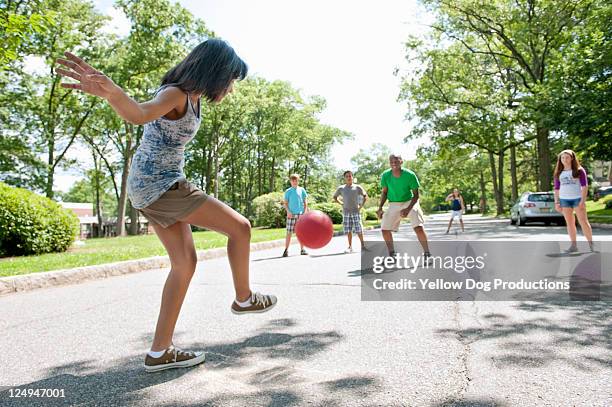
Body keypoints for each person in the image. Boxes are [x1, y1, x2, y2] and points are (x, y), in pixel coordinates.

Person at [56, 39, 277, 373]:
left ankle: (160, 351)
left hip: (152, 186)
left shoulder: (194, 99)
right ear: (215, 72)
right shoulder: (175, 93)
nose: (231, 89)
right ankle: (244, 298)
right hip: (159, 184)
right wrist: (113, 93)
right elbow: (141, 114)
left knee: (185, 263)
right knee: (241, 227)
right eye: (230, 80)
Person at [377, 154, 431, 259]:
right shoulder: (385, 175)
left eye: (396, 161)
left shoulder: (410, 175)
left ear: (401, 161)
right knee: (384, 229)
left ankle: (427, 252)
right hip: (394, 203)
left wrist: (408, 209)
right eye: (391, 161)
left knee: (418, 227)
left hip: (410, 201)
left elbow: (416, 195)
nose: (394, 163)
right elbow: (384, 192)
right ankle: (392, 254)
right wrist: (380, 208)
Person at [553, 149, 593, 253]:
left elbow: (585, 186)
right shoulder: (559, 172)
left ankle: (591, 244)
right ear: (560, 160)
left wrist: (582, 201)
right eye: (562, 158)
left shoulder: (579, 170)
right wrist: (557, 202)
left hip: (577, 199)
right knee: (570, 223)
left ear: (572, 158)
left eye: (567, 157)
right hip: (564, 200)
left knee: (583, 222)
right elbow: (556, 188)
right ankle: (573, 245)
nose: (564, 160)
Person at [333, 170, 368, 253]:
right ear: (344, 178)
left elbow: (365, 196)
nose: (349, 177)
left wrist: (360, 205)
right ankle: (350, 247)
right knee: (348, 230)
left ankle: (363, 246)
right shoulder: (341, 188)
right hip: (346, 212)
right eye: (347, 176)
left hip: (356, 211)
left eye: (350, 176)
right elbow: (335, 197)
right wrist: (341, 203)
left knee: (359, 229)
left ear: (352, 177)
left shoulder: (357, 187)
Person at [282, 174, 308, 257]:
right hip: (291, 215)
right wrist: (288, 212)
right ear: (290, 181)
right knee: (289, 232)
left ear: (298, 181)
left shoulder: (302, 190)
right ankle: (286, 250)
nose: (294, 182)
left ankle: (302, 249)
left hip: (300, 214)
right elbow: (285, 204)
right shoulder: (288, 191)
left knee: (301, 233)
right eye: (293, 180)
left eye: (296, 180)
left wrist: (304, 212)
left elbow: (305, 202)